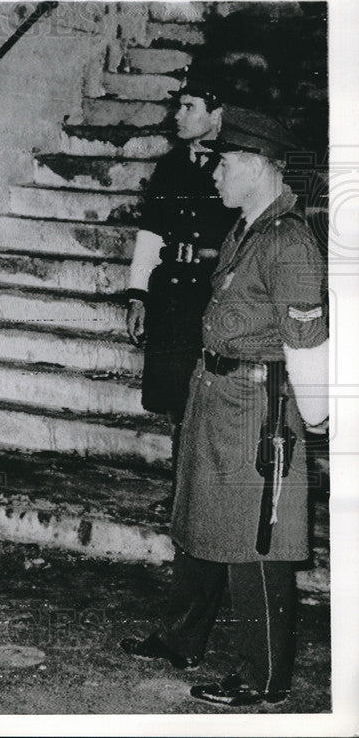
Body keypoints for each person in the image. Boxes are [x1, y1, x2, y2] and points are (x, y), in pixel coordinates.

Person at [120, 107, 329, 707]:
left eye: (226, 162)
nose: (215, 174)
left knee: (256, 537)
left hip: (256, 403)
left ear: (260, 166)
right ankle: (183, 636)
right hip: (216, 392)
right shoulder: (248, 227)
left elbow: (305, 339)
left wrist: (314, 416)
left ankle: (265, 677)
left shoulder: (288, 241)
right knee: (199, 515)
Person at [126, 78, 239, 467]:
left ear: (217, 115)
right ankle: (180, 490)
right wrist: (138, 295)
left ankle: (203, 493)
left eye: (190, 107)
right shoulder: (170, 166)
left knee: (209, 396)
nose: (179, 115)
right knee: (175, 397)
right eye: (180, 106)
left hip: (212, 295)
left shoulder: (238, 165)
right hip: (171, 297)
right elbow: (150, 232)